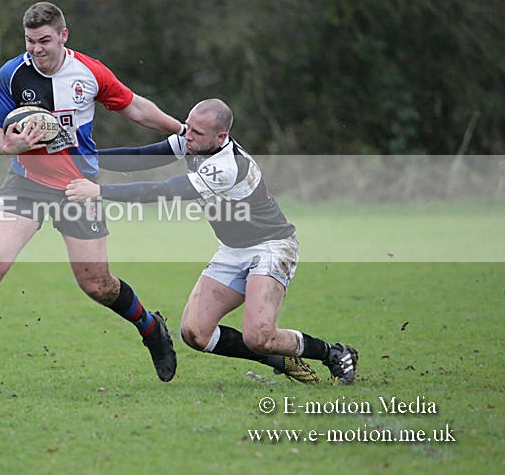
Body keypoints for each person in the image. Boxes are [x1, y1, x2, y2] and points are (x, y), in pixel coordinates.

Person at [0, 1, 185, 387]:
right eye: (30, 41)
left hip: (78, 188)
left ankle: (151, 329)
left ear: (64, 36)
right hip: (26, 183)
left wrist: (182, 131)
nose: (36, 49)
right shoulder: (10, 76)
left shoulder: (89, 72)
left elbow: (136, 108)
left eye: (44, 40)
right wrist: (11, 146)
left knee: (98, 285)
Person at [65, 98, 359, 385]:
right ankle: (276, 358)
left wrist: (99, 191)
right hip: (233, 250)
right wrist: (80, 155)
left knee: (259, 336)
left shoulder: (226, 166)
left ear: (221, 137)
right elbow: (142, 156)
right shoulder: (193, 141)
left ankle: (333, 353)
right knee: (194, 333)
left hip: (271, 247)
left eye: (197, 132)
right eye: (188, 127)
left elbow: (164, 191)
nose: (187, 135)